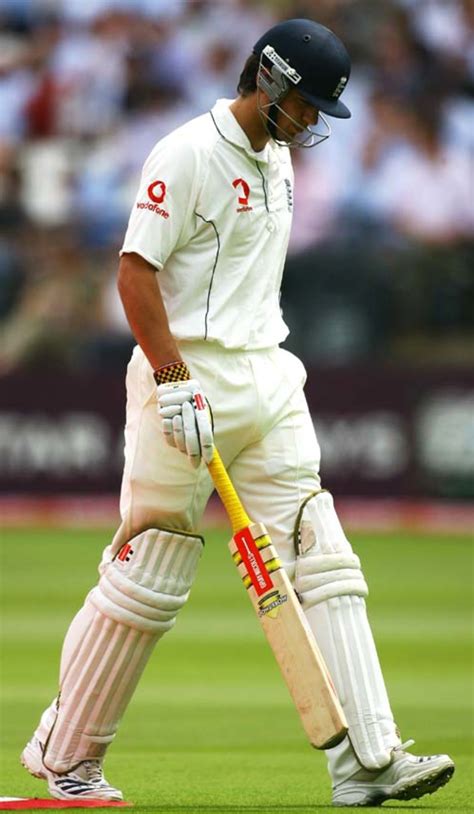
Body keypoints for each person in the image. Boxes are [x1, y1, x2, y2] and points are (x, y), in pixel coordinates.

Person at [21, 18, 455, 807]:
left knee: (322, 553)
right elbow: (133, 273)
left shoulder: (281, 157)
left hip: (268, 376)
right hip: (182, 381)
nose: (316, 122)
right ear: (270, 81)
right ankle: (67, 758)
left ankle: (366, 759)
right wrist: (174, 375)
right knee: (152, 570)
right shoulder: (186, 152)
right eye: (308, 104)